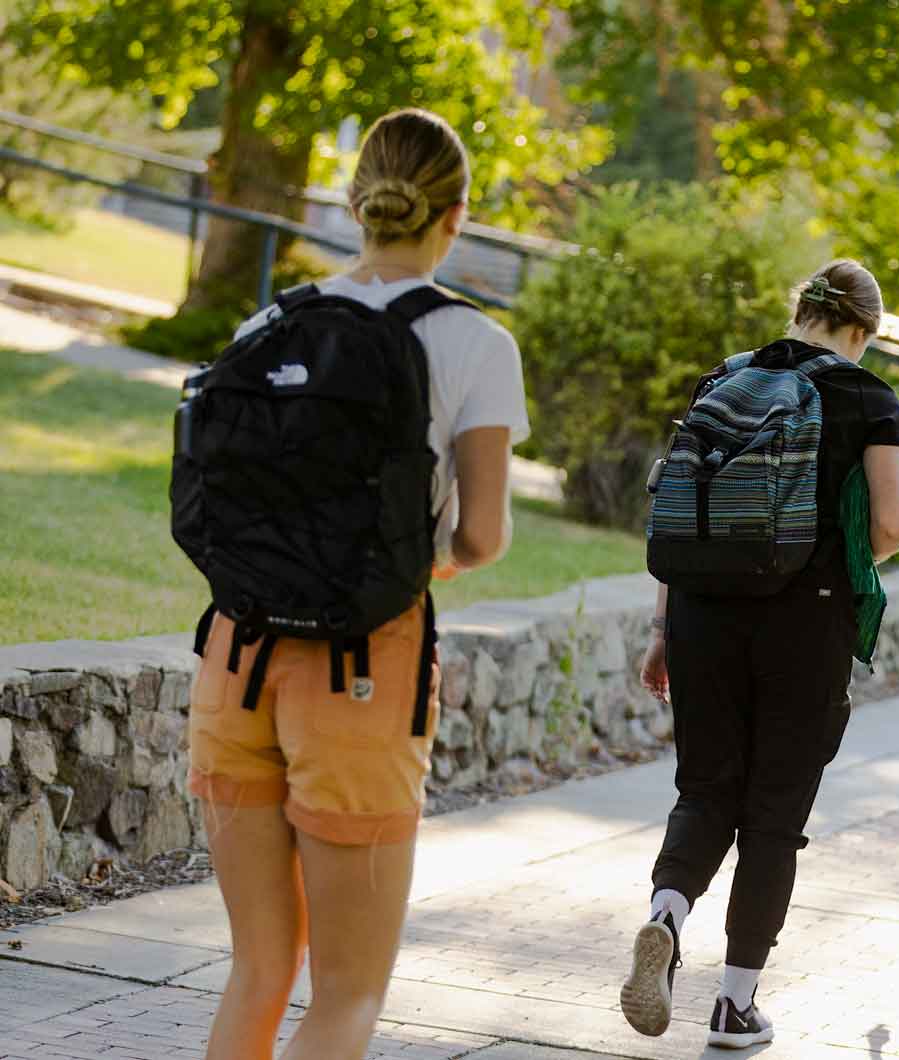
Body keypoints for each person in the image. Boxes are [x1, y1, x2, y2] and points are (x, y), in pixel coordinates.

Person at [185, 108, 527, 1058]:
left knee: (258, 970)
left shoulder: (274, 319)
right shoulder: (473, 344)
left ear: (355, 202)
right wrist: (412, 564)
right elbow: (484, 534)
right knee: (347, 996)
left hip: (233, 657)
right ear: (455, 216)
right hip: (359, 675)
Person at [625, 260, 899, 1047]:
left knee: (705, 788)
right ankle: (734, 1004)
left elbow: (681, 511)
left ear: (800, 312)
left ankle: (666, 914)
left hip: (698, 614)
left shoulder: (725, 378)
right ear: (864, 330)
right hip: (804, 625)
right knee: (774, 817)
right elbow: (889, 526)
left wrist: (661, 631)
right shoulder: (867, 397)